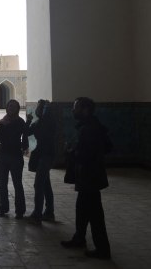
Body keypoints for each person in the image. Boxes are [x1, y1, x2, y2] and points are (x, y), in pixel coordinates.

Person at [61, 97, 112, 260]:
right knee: (82, 210)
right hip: (89, 177)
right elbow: (107, 147)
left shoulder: (89, 129)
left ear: (85, 110)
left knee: (95, 215)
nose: (72, 110)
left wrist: (70, 152)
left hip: (90, 177)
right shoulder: (93, 126)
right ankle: (79, 238)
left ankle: (102, 249)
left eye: (75, 107)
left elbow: (86, 154)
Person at [0, 99, 29, 219]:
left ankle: (20, 210)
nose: (11, 108)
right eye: (9, 106)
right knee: (2, 183)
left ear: (18, 109)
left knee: (17, 183)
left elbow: (24, 138)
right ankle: (3, 208)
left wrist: (24, 148)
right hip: (3, 155)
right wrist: (4, 127)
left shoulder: (20, 122)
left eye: (13, 106)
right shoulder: (3, 122)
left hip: (15, 156)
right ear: (6, 108)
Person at [26, 99, 56, 224]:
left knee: (38, 184)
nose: (37, 110)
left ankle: (37, 214)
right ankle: (49, 212)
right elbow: (28, 132)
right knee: (46, 184)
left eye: (39, 108)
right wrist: (28, 121)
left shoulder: (46, 123)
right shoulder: (41, 122)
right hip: (43, 156)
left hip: (46, 156)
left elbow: (32, 132)